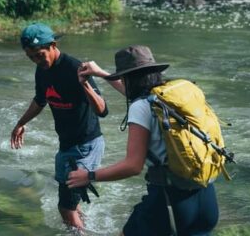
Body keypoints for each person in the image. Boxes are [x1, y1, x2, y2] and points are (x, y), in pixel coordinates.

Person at [67, 45, 219, 236]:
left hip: (168, 202)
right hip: (206, 198)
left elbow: (133, 166)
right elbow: (139, 98)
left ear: (126, 77)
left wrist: (88, 176)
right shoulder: (169, 97)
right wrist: (102, 74)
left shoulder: (141, 107)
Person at [10, 23, 109, 232]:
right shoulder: (42, 70)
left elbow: (102, 110)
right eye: (31, 58)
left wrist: (84, 84)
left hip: (86, 145)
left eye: (39, 55)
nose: (37, 61)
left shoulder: (75, 68)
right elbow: (40, 100)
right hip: (66, 146)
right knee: (72, 204)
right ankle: (84, 229)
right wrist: (21, 123)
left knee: (65, 207)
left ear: (53, 45)